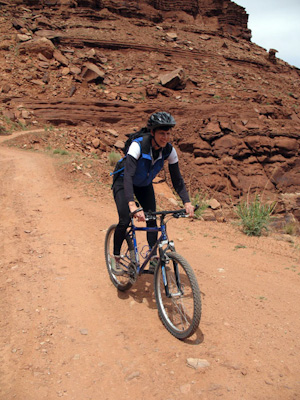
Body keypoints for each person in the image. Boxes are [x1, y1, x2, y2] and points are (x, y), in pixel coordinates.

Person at [111, 111, 194, 275]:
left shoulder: (169, 151)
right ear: (152, 133)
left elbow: (177, 179)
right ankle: (116, 257)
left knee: (152, 218)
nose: (165, 137)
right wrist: (132, 204)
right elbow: (128, 176)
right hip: (123, 181)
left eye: (168, 133)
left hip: (144, 185)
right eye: (162, 133)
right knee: (125, 218)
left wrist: (187, 202)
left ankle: (153, 257)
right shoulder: (138, 145)